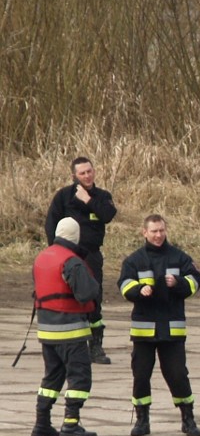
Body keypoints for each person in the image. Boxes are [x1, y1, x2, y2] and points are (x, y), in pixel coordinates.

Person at [118, 214, 200, 436]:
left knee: (177, 375)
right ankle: (142, 420)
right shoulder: (134, 260)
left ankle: (188, 419)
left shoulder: (179, 257)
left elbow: (196, 279)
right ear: (144, 233)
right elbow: (124, 285)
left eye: (161, 231)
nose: (158, 235)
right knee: (141, 376)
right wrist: (139, 290)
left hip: (172, 329)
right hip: (143, 330)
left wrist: (179, 283)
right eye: (154, 231)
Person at [31, 217, 101, 436]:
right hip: (71, 330)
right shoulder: (72, 261)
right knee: (80, 377)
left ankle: (41, 422)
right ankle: (71, 422)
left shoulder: (42, 257)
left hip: (46, 331)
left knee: (52, 378)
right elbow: (87, 293)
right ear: (75, 236)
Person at [45, 156, 117, 365]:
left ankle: (96, 346)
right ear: (74, 176)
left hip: (91, 256)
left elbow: (108, 215)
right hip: (67, 257)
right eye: (82, 173)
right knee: (66, 298)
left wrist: (88, 200)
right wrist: (55, 252)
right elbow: (51, 224)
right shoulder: (63, 197)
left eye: (89, 171)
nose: (87, 175)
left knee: (93, 297)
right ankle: (65, 345)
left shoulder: (102, 196)